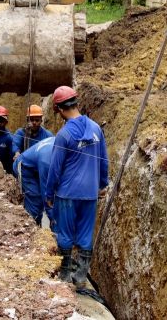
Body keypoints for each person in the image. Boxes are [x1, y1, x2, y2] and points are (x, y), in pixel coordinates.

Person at [44, 86, 109, 285]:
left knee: (64, 233)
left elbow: (55, 168)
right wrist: (101, 184)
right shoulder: (96, 129)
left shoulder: (64, 135)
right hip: (89, 194)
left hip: (67, 194)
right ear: (75, 103)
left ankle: (64, 276)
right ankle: (80, 278)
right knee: (85, 233)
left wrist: (48, 193)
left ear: (60, 109)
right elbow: (104, 161)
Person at [12, 136, 55, 228]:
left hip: (36, 168)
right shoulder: (47, 160)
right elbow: (46, 191)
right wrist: (52, 217)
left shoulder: (60, 142)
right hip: (24, 168)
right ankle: (32, 228)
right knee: (36, 200)